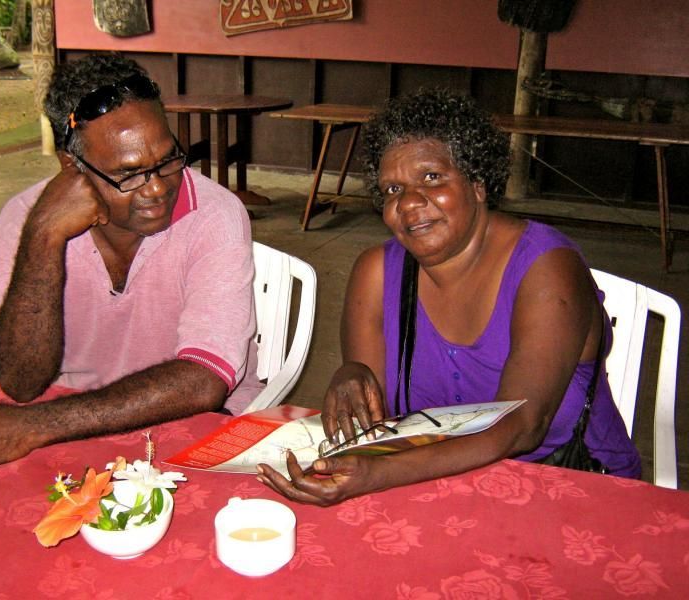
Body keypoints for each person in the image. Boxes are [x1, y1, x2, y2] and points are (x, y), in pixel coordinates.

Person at [257, 89, 640, 505]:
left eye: (432, 178)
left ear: (477, 183)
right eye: (391, 190)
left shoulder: (547, 268)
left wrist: (376, 473)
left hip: (566, 486)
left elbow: (523, 426)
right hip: (436, 483)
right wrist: (351, 374)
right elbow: (375, 422)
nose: (408, 203)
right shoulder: (377, 273)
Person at [0, 53, 262, 467]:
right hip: (66, 425)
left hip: (192, 425)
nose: (157, 189)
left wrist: (34, 426)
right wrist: (44, 237)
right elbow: (20, 382)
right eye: (128, 174)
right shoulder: (25, 218)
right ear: (72, 167)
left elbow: (204, 381)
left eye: (167, 160)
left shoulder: (215, 215)